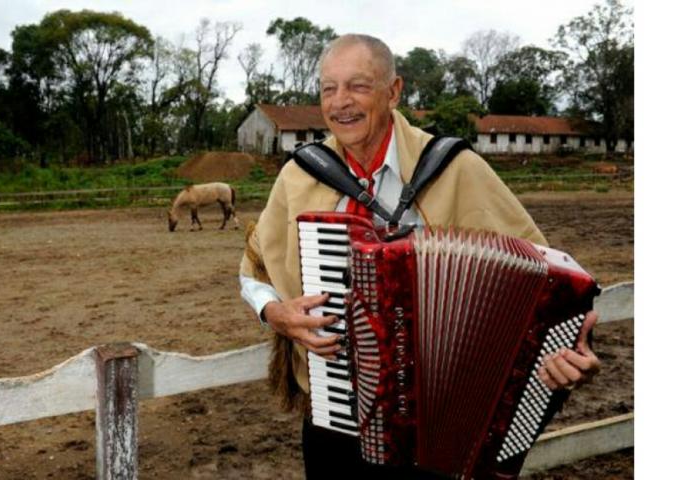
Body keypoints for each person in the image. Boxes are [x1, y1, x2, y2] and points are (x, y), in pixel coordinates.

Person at [239, 34, 600, 477]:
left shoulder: (456, 169)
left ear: (394, 91)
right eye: (328, 88)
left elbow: (552, 287)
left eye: (358, 86)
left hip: (445, 420)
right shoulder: (300, 174)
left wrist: (568, 351)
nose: (340, 103)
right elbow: (253, 272)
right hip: (333, 417)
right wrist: (274, 313)